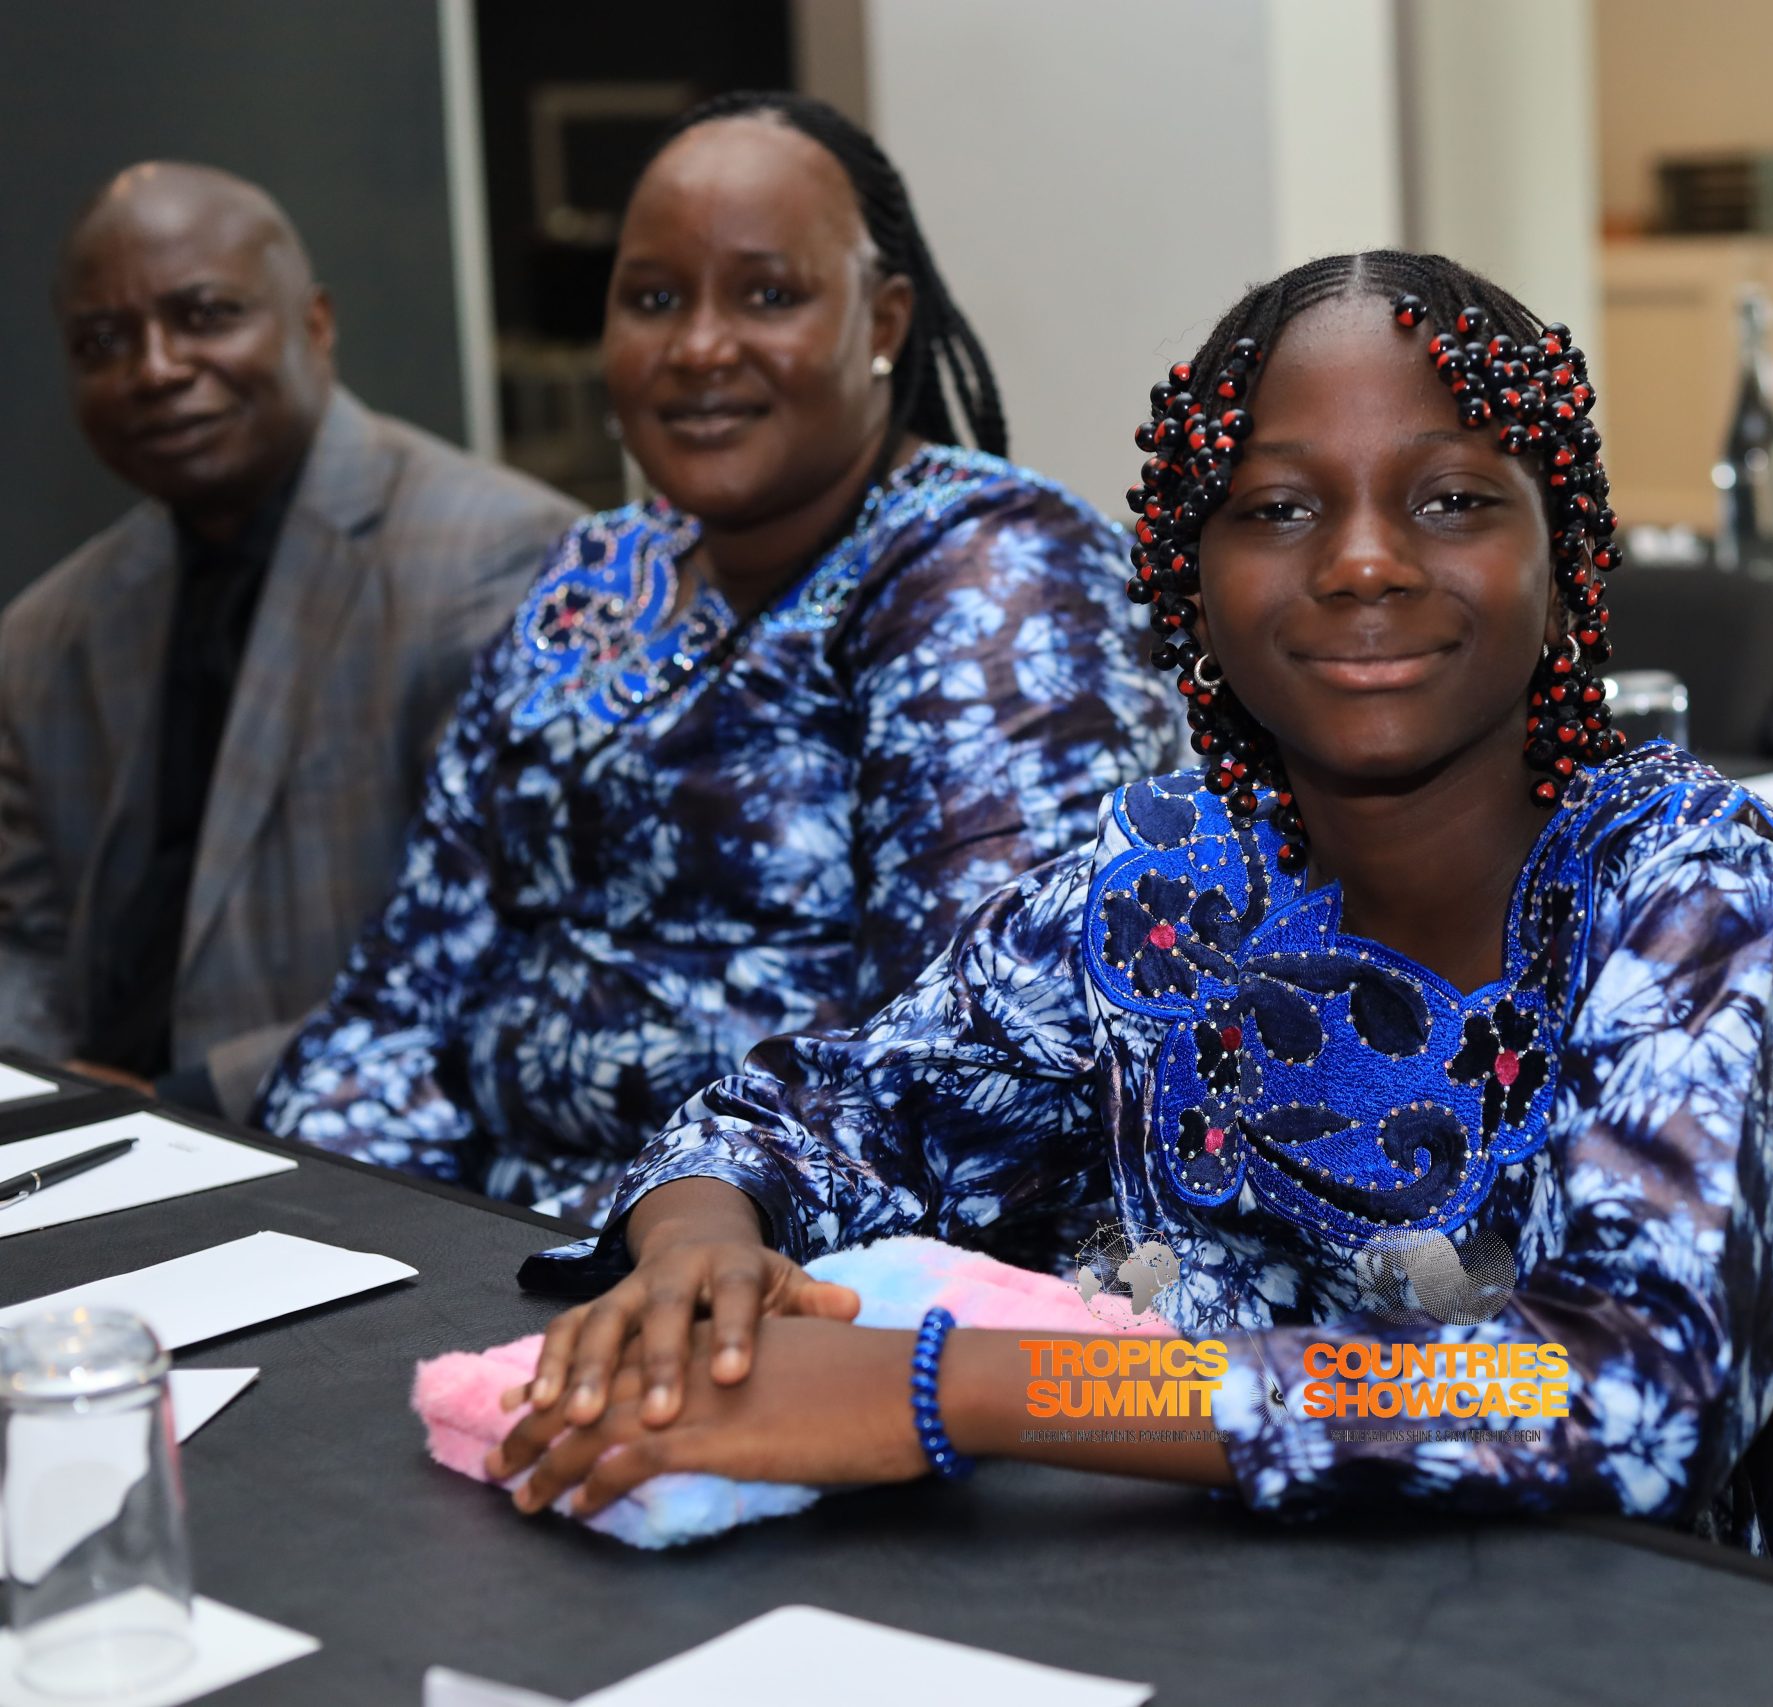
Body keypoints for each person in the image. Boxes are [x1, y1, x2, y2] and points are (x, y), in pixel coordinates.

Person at [488, 253, 1773, 1565]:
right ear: (1188, 591)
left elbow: (1632, 1384)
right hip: (1201, 1609)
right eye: (1276, 509)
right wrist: (701, 1253)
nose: (1364, 560)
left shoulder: (1679, 887)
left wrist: (953, 1390)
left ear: (1568, 559)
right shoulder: (1165, 886)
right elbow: (823, 1107)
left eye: (1452, 498)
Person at [256, 94, 1170, 1225]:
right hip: (472, 1224)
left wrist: (631, 1226)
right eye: (653, 299)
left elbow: (973, 1079)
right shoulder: (597, 568)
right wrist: (337, 1212)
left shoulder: (990, 569)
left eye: (768, 295)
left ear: (883, 322)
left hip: (763, 1251)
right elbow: (404, 983)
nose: (697, 347)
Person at [0, 163, 575, 1118]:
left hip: (350, 1149)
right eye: (103, 341)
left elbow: (503, 946)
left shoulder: (496, 559)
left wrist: (176, 1103)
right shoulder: (45, 636)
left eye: (205, 316)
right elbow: (23, 944)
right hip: (71, 1152)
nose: (155, 367)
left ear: (315, 324)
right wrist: (36, 1096)